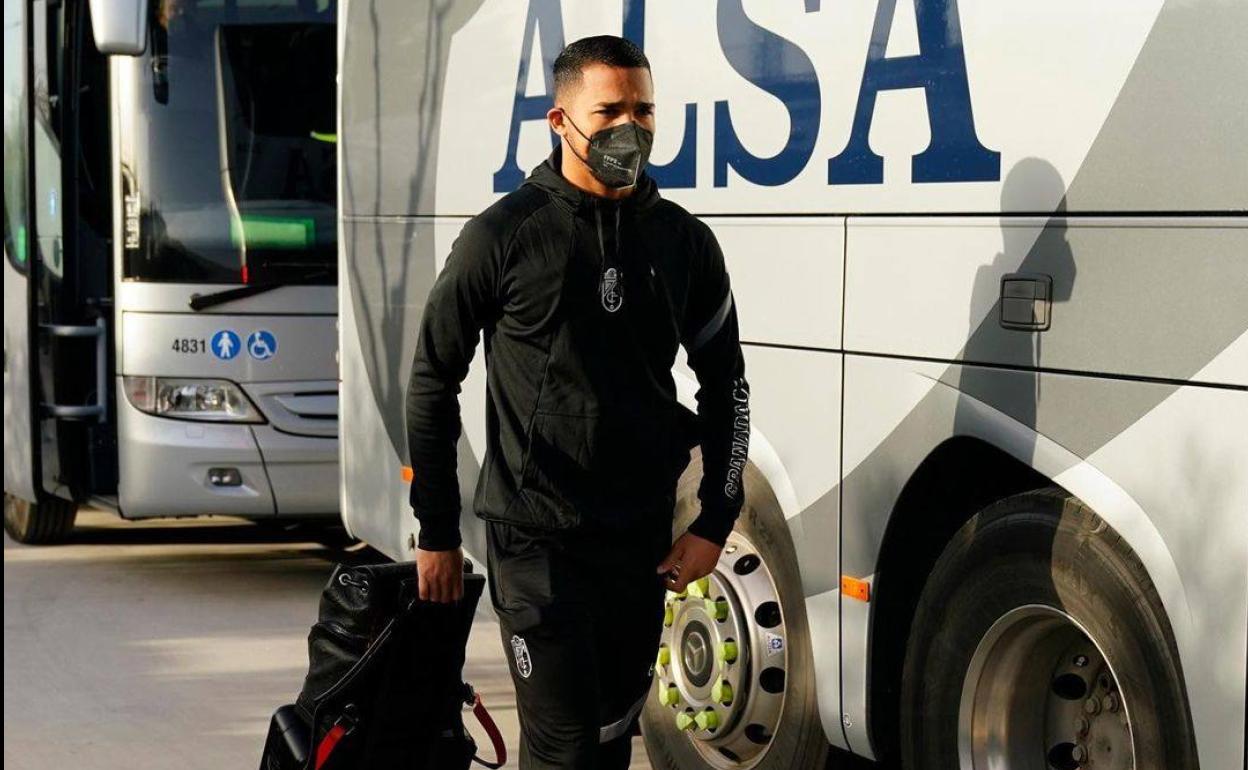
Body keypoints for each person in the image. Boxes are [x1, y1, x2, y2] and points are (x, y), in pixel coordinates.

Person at [405, 35, 751, 769]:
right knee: (561, 749)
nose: (632, 127)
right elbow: (433, 380)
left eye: (645, 108)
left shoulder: (685, 243)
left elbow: (727, 388)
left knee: (607, 740)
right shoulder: (501, 237)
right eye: (610, 110)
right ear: (559, 121)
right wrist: (436, 530)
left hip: (639, 543)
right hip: (537, 542)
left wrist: (714, 523)